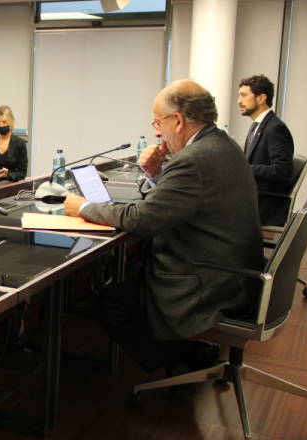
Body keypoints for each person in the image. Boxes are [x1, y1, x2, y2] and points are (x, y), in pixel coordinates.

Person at [64, 79, 264, 374]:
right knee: (134, 274)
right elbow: (181, 202)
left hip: (207, 283)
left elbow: (143, 219)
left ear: (179, 121)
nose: (157, 131)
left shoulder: (193, 160)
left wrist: (82, 207)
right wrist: (156, 174)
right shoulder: (223, 145)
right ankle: (186, 352)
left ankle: (180, 363)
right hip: (234, 274)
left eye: (159, 121)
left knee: (112, 304)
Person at [238, 74, 295, 227]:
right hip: (253, 197)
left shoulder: (275, 128)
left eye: (244, 95)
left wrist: (244, 169)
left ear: (261, 98)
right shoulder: (257, 125)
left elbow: (282, 170)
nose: (239, 101)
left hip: (265, 203)